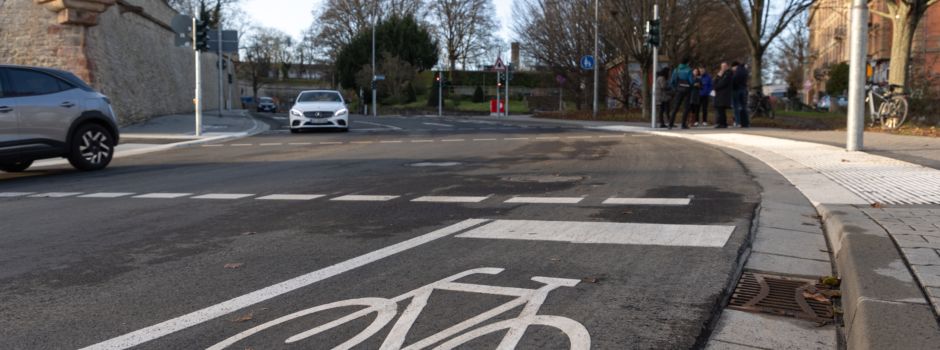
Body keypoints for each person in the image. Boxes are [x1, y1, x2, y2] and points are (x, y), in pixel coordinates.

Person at [668, 57, 694, 129]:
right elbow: (691, 81)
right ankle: (683, 124)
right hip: (687, 91)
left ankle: (670, 124)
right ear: (688, 63)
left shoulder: (676, 70)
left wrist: (676, 89)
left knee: (675, 107)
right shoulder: (688, 70)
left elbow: (672, 82)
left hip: (679, 90)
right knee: (686, 108)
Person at [712, 62, 733, 128]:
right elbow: (714, 81)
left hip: (724, 94)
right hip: (719, 94)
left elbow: (722, 83)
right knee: (720, 109)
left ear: (727, 66)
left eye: (724, 66)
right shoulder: (721, 74)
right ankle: (722, 123)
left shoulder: (728, 74)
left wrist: (716, 86)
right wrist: (718, 76)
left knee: (720, 108)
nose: (723, 68)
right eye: (722, 67)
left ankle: (720, 123)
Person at [731, 61, 750, 128]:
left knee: (736, 107)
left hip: (736, 90)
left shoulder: (737, 71)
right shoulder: (744, 70)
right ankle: (746, 123)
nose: (732, 70)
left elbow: (734, 79)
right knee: (744, 107)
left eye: (732, 68)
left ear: (734, 66)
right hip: (744, 89)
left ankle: (738, 122)